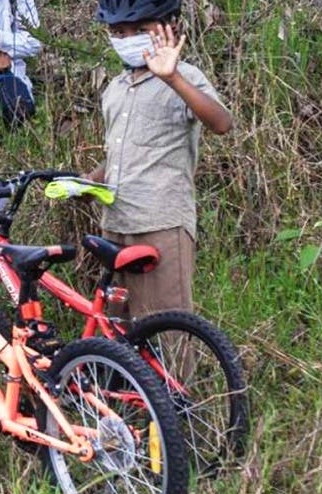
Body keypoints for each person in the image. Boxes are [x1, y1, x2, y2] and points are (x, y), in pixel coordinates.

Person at [87, 0, 233, 371]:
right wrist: (86, 182)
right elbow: (121, 154)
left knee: (169, 328)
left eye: (139, 29)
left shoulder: (185, 77)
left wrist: (173, 78)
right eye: (119, 32)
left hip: (161, 223)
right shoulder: (116, 88)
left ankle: (181, 415)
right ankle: (132, 415)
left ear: (168, 26)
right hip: (114, 225)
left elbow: (221, 123)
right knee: (118, 329)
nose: (128, 38)